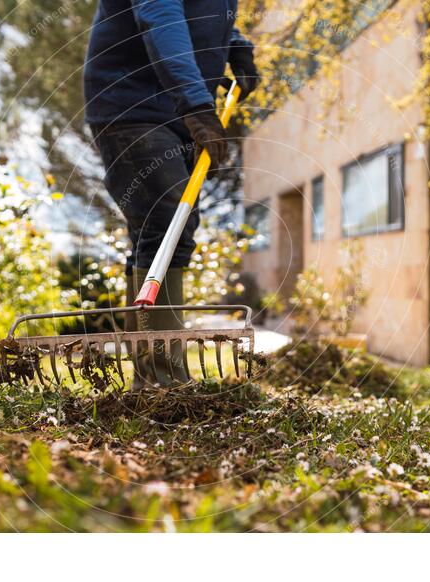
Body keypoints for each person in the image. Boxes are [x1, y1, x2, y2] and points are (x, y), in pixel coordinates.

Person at [84, 0, 259, 387]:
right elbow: (161, 18)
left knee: (159, 232)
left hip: (169, 113)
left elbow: (201, 16)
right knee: (166, 224)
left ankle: (149, 375)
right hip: (132, 107)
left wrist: (234, 44)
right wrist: (197, 104)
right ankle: (162, 379)